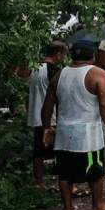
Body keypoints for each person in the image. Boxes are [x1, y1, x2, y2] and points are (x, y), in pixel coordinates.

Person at [41, 39, 105, 210]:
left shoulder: (60, 74)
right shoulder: (98, 74)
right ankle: (98, 206)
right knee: (94, 169)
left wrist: (47, 127)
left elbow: (48, 104)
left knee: (64, 173)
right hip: (88, 133)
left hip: (63, 132)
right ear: (93, 56)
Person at [29, 40, 68, 192]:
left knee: (38, 152)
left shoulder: (35, 68)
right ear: (58, 54)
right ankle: (65, 184)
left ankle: (40, 184)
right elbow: (59, 95)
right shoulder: (54, 70)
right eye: (64, 54)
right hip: (51, 118)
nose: (64, 57)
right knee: (61, 152)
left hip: (36, 117)